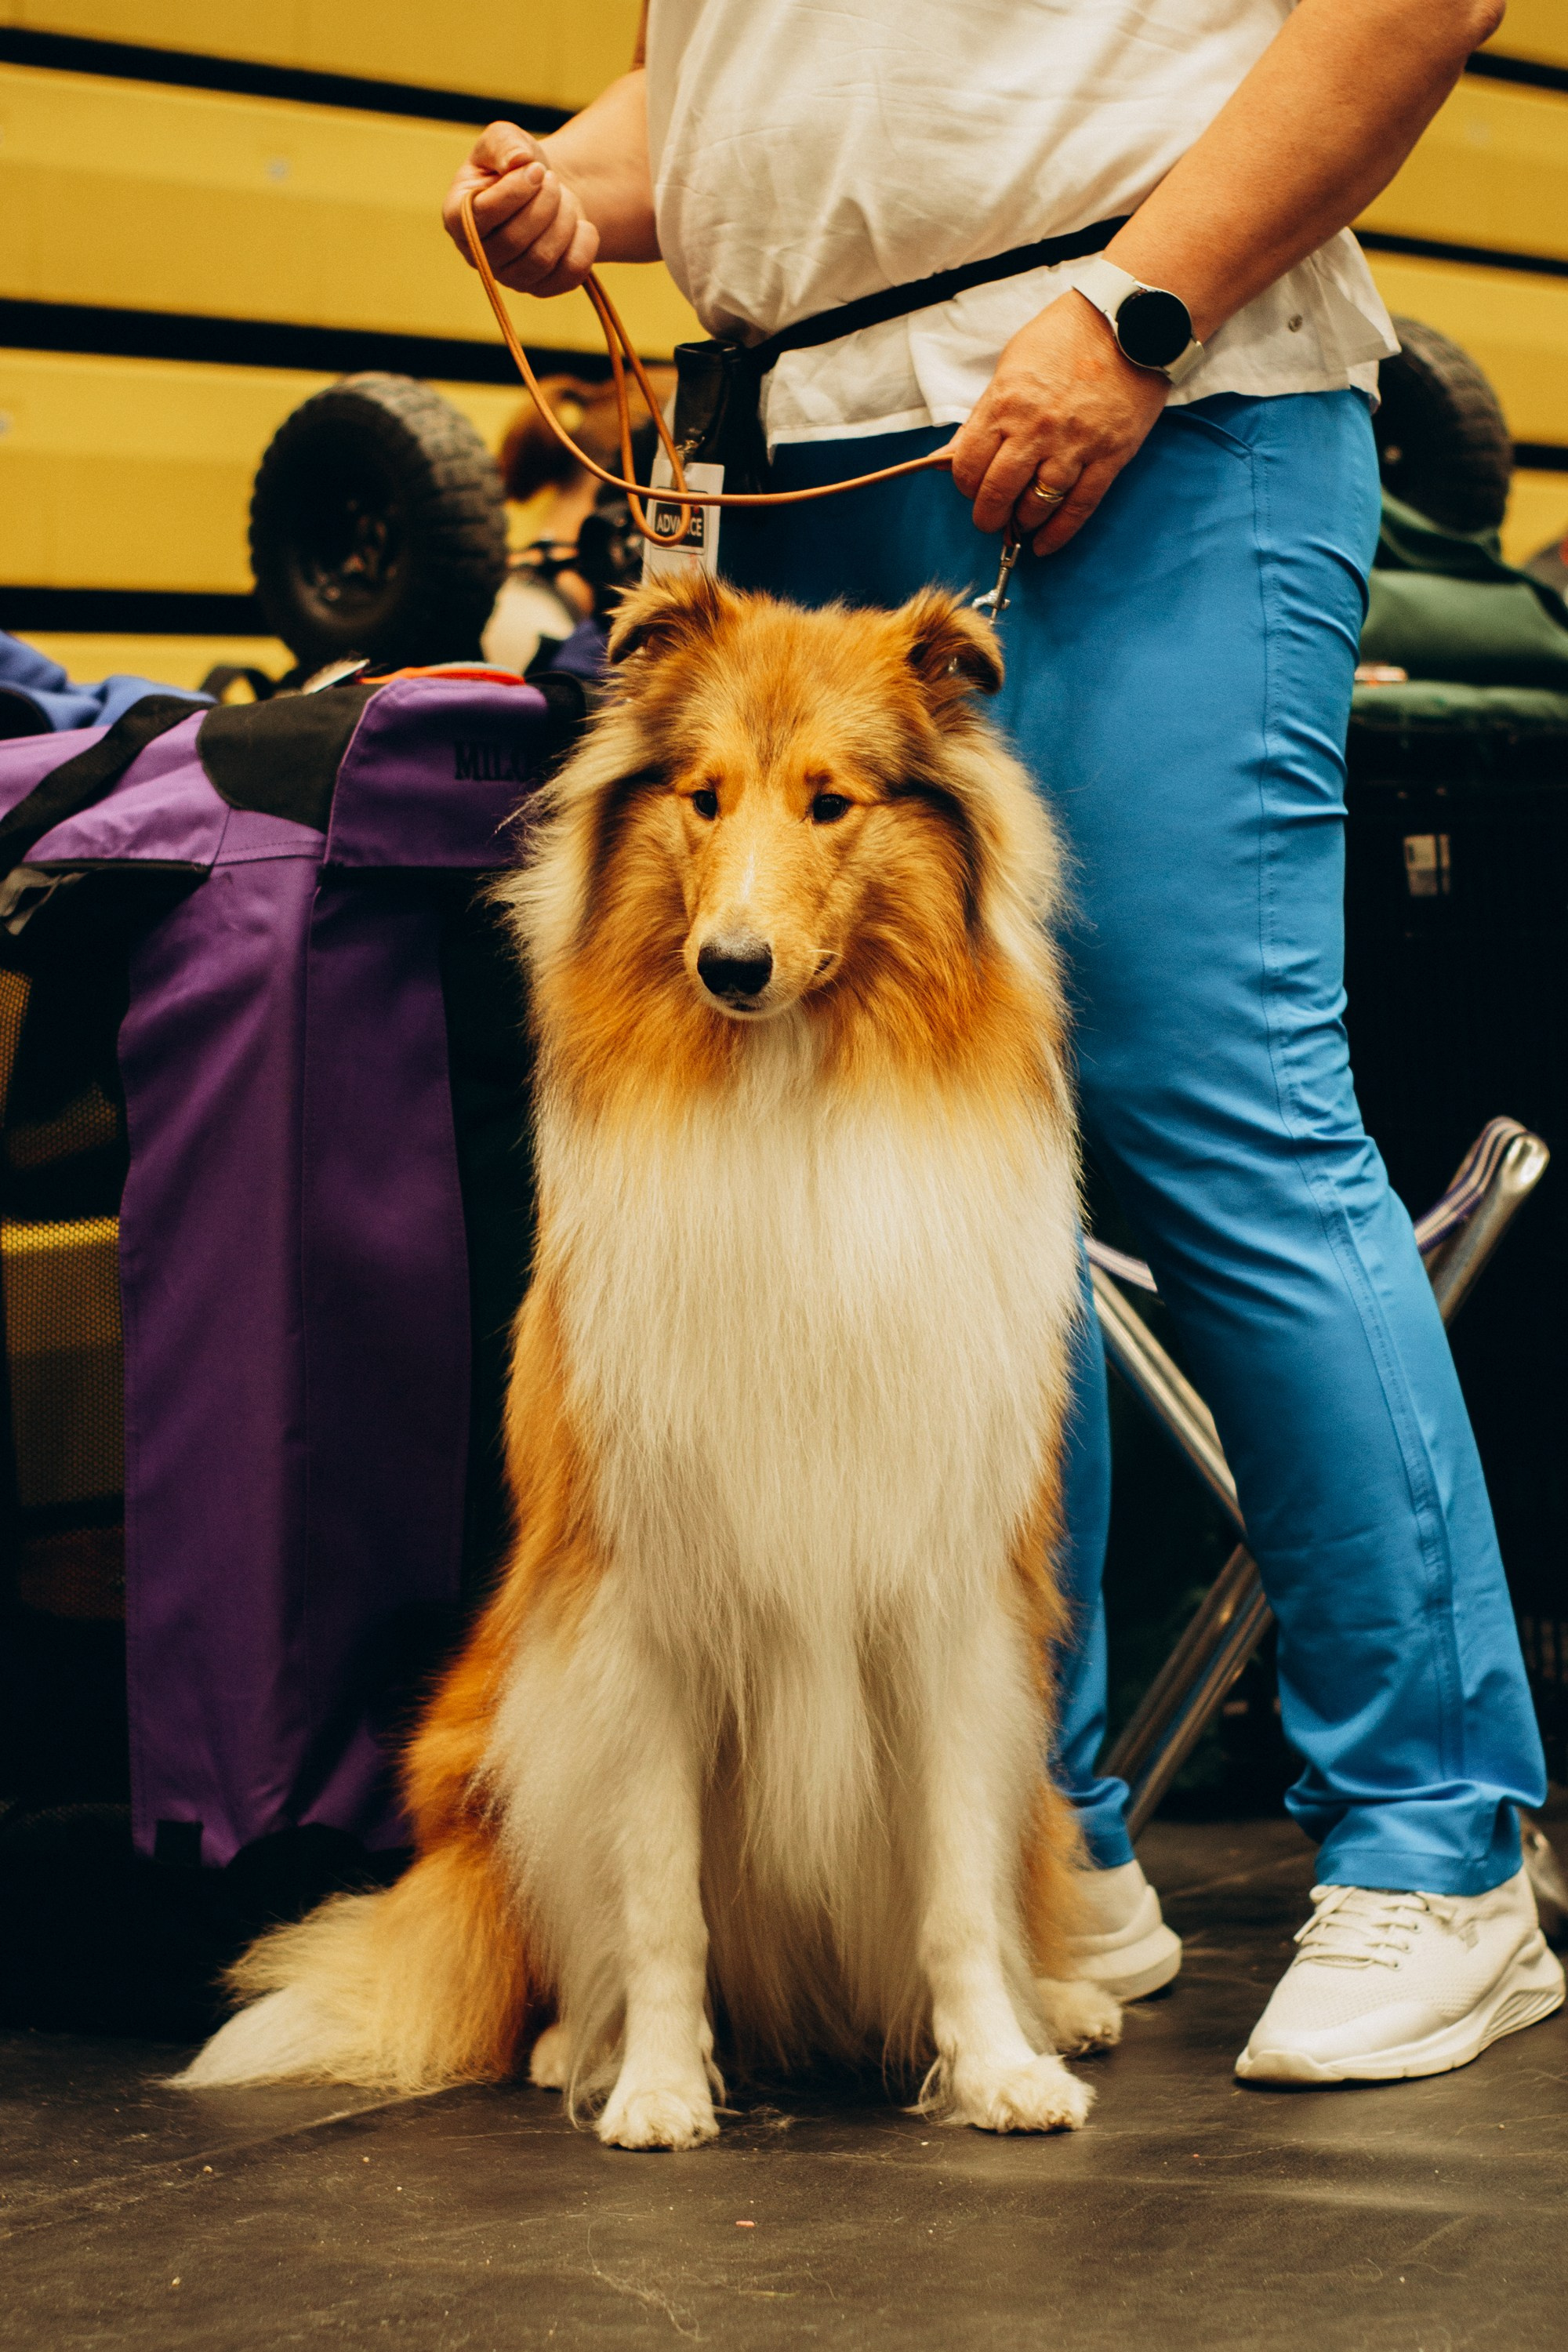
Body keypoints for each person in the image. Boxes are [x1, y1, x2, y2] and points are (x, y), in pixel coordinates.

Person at [442, 0, 1566, 2085]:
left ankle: (1440, 1842)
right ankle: (1047, 1838)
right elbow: (756, 93)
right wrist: (573, 188)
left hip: (1168, 399)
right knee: (932, 1162)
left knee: (1206, 1102)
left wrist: (1143, 308)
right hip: (806, 449)